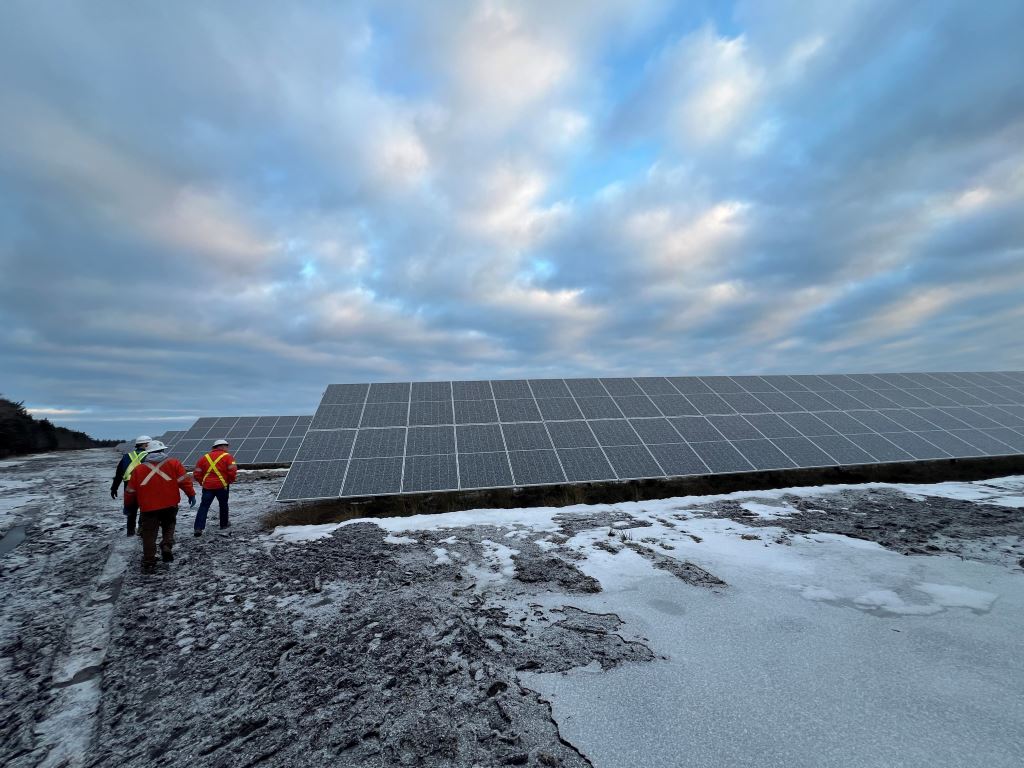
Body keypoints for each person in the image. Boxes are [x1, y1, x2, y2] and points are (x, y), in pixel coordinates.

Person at [124, 440, 195, 572]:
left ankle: (149, 561)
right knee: (169, 526)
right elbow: (184, 481)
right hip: (170, 504)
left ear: (147, 453)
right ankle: (167, 546)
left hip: (148, 507)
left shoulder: (139, 469)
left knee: (149, 534)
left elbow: (130, 491)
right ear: (162, 450)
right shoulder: (174, 463)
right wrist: (191, 494)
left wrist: (128, 505)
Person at [192, 438, 238, 536]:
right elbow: (232, 471)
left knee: (204, 506)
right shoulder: (227, 456)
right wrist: (229, 481)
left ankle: (198, 528)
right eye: (226, 446)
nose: (227, 448)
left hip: (207, 486)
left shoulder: (204, 457)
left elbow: (197, 473)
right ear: (221, 446)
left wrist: (202, 482)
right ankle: (224, 524)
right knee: (223, 505)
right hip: (222, 486)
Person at [110, 435, 151, 536]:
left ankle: (130, 531)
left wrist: (114, 488)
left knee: (131, 511)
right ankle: (141, 530)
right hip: (144, 486)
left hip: (129, 487)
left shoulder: (126, 456)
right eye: (148, 444)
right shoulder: (149, 456)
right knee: (145, 509)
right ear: (145, 444)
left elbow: (119, 474)